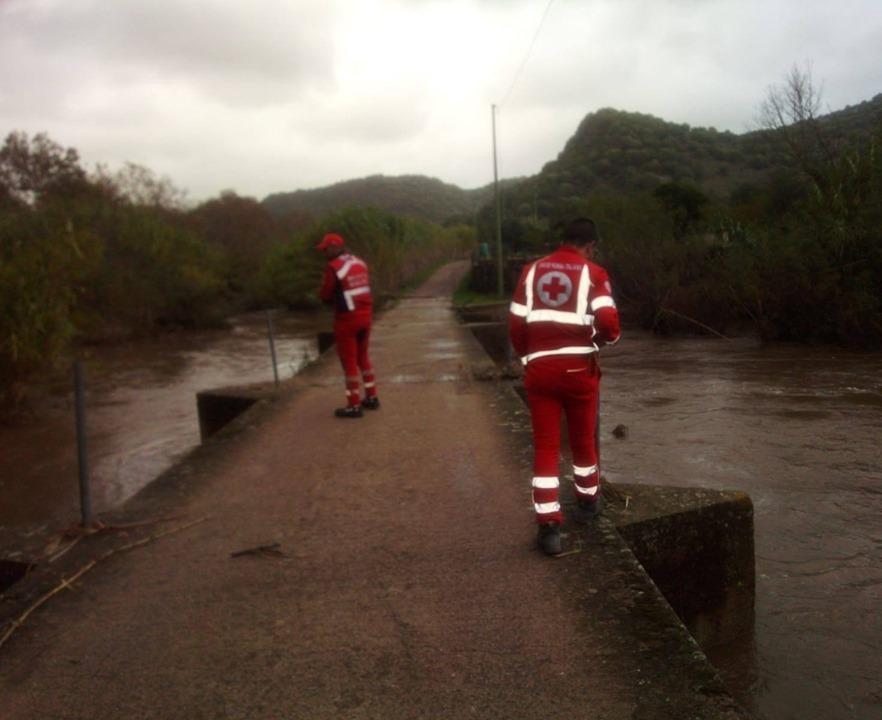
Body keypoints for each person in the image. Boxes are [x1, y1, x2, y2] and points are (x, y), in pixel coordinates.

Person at [508, 218, 621, 556]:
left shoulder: (531, 270)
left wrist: (528, 357)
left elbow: (516, 321)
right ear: (590, 245)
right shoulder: (594, 273)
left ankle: (549, 527)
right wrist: (599, 342)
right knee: (582, 439)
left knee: (545, 446)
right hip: (578, 370)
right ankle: (588, 501)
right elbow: (610, 326)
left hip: (540, 370)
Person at [317, 232, 380, 418]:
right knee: (363, 358)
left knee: (349, 362)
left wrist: (325, 298)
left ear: (333, 248)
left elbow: (325, 294)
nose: (324, 253)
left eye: (325, 249)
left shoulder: (334, 267)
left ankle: (353, 405)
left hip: (347, 321)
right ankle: (372, 396)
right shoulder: (360, 262)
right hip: (366, 318)